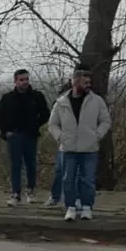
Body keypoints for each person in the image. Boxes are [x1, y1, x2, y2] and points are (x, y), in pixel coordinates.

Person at [48, 68, 111, 221]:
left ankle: (87, 207)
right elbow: (52, 124)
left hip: (89, 148)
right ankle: (70, 207)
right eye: (85, 82)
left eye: (90, 82)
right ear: (75, 82)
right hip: (68, 148)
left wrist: (97, 135)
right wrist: (60, 137)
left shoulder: (96, 101)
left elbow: (105, 121)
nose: (88, 85)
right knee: (68, 179)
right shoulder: (61, 102)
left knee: (88, 179)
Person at [0, 69, 50, 206]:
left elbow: (45, 114)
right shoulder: (7, 98)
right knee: (15, 165)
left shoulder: (37, 96)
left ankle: (31, 190)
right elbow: (0, 117)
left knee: (30, 164)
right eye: (21, 79)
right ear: (15, 81)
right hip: (14, 135)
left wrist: (35, 126)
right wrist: (6, 132)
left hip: (30, 135)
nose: (25, 82)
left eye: (26, 79)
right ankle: (16, 193)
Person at [45, 79, 72, 207]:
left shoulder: (91, 96)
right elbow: (54, 119)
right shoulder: (63, 95)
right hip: (65, 139)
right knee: (60, 170)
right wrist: (60, 136)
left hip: (84, 141)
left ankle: (75, 199)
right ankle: (55, 196)